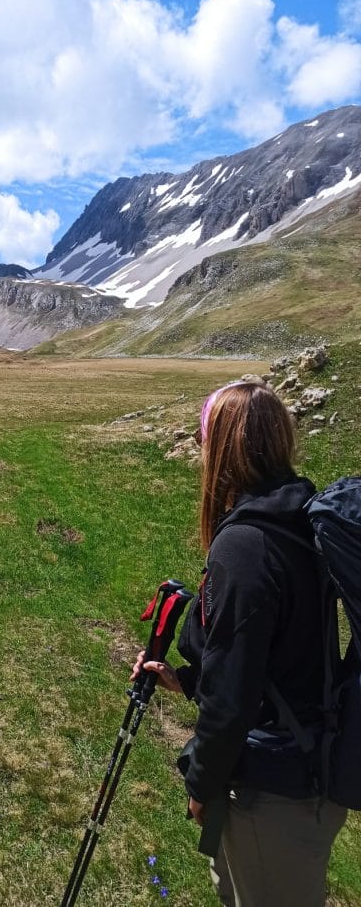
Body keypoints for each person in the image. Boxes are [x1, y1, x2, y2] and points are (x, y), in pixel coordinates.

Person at [132, 380, 347, 907]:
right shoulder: (300, 522)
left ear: (222, 450)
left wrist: (202, 785)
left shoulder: (245, 546)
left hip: (270, 791)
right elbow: (275, 653)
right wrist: (184, 679)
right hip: (310, 766)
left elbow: (232, 699)